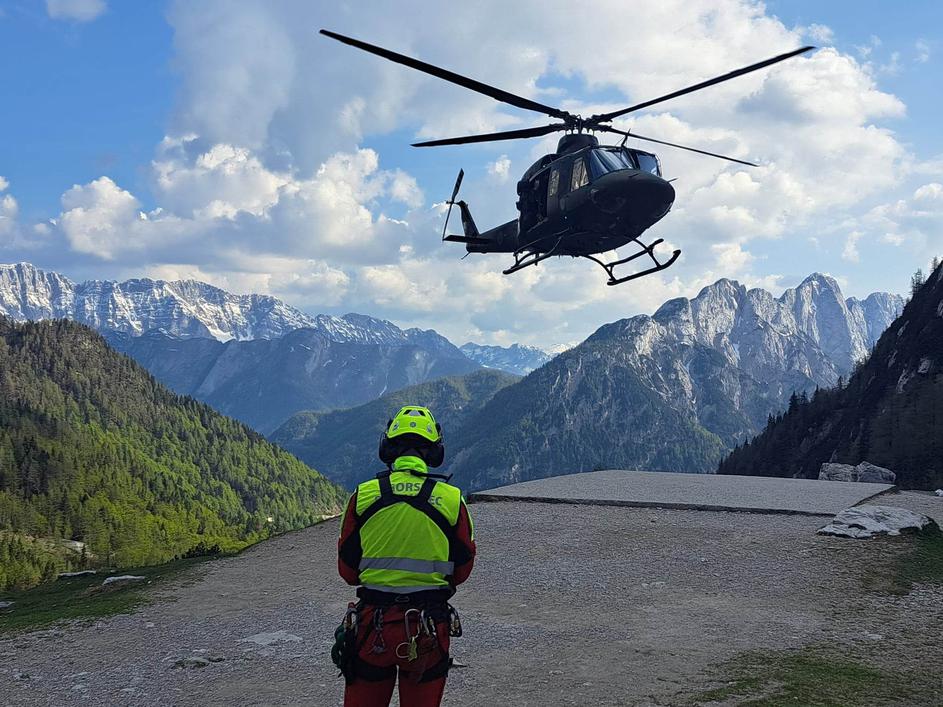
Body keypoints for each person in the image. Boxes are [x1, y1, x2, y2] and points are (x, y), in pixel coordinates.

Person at [336, 405, 476, 707]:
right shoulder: (453, 501)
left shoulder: (362, 496)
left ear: (386, 449)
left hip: (372, 627)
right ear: (435, 453)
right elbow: (462, 571)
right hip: (427, 628)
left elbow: (348, 572)